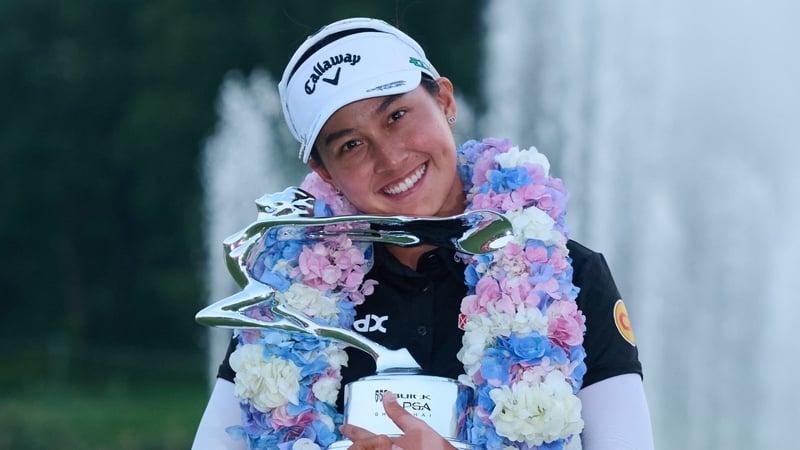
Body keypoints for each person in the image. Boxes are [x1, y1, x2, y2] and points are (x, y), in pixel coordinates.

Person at [193, 17, 654, 450]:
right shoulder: (285, 302)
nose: (390, 158)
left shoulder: (572, 278)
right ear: (324, 172)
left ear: (446, 102)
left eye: (397, 115)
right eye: (351, 145)